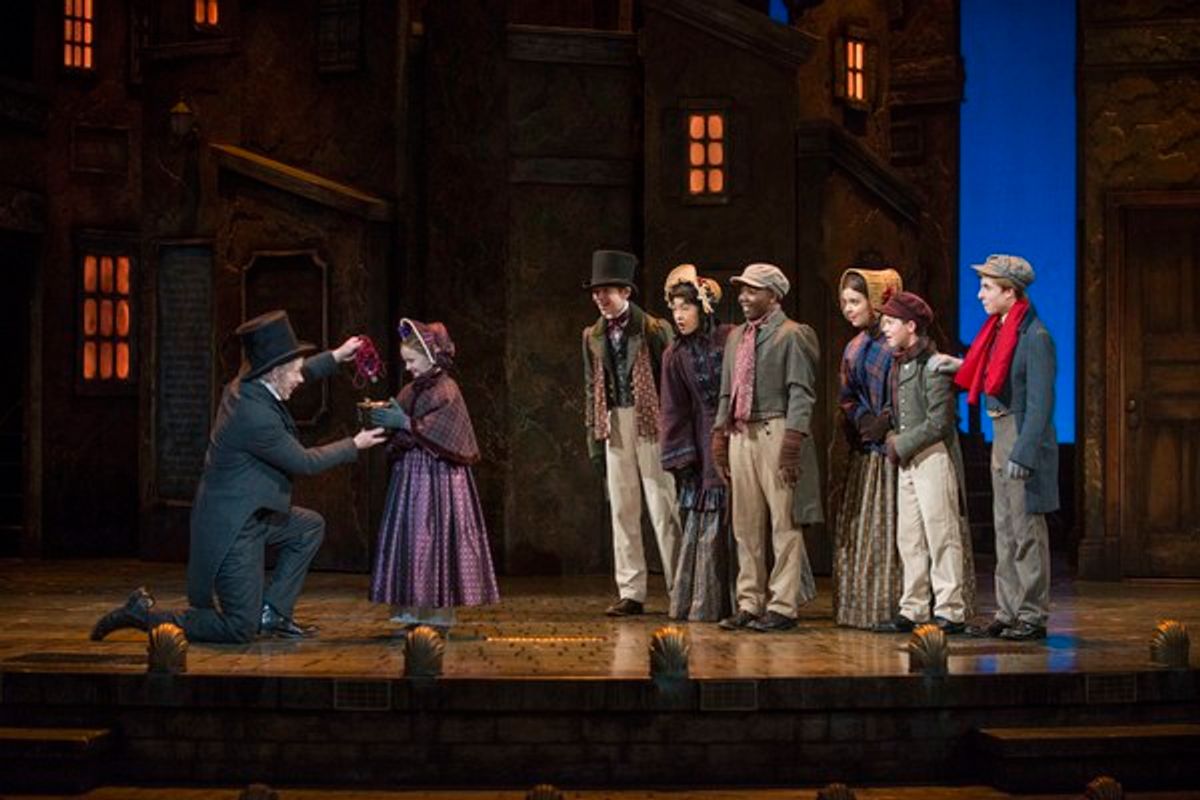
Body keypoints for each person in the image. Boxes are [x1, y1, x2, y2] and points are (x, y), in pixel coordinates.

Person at [91, 310, 388, 643]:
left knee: (308, 527)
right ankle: (143, 615)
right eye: (292, 372)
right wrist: (355, 444)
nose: (299, 379)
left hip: (253, 512)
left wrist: (336, 356)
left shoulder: (250, 385)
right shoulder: (253, 415)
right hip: (233, 527)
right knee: (238, 628)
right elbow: (303, 462)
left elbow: (299, 370)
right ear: (274, 373)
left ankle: (273, 613)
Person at [941, 254, 1057, 641]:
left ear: (1011, 292)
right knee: (1004, 527)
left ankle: (1031, 614)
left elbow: (1041, 405)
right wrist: (952, 364)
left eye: (988, 287)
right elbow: (987, 371)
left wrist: (1024, 453)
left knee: (1026, 529)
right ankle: (1007, 611)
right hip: (1001, 431)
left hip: (1023, 435)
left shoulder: (1035, 336)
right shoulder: (999, 330)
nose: (980, 294)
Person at [367, 318, 499, 630]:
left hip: (439, 479)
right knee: (413, 537)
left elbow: (445, 433)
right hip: (411, 477)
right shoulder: (412, 388)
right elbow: (399, 419)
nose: (409, 368)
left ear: (430, 356)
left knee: (434, 537)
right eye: (405, 362)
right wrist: (385, 420)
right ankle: (412, 609)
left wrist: (407, 425)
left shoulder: (446, 389)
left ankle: (436, 610)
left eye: (412, 361)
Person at [711, 263, 822, 633]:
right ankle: (749, 601)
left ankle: (783, 605)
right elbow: (727, 390)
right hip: (742, 432)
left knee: (784, 523)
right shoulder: (736, 337)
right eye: (741, 289)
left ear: (773, 295)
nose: (743, 296)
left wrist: (793, 442)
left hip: (776, 430)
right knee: (745, 524)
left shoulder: (792, 334)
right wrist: (719, 436)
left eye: (752, 290)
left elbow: (801, 393)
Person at [583, 249, 682, 617]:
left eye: (606, 290)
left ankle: (679, 587)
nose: (600, 298)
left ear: (626, 292)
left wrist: (675, 433)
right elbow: (590, 387)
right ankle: (631, 591)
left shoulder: (654, 329)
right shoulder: (592, 335)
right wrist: (594, 436)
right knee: (623, 510)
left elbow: (671, 383)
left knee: (663, 507)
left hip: (651, 421)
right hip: (614, 422)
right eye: (595, 292)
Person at [870, 291, 975, 634]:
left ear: (911, 326)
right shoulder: (900, 363)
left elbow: (939, 422)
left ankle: (949, 608)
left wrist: (900, 443)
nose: (884, 328)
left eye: (891, 322)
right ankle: (913, 607)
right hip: (908, 459)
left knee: (940, 533)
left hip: (932, 456)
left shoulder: (934, 365)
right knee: (909, 536)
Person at [657, 264, 735, 621]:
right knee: (708, 513)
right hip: (704, 439)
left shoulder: (730, 338)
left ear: (703, 309)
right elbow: (673, 409)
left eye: (685, 308)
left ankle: (747, 601)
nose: (678, 316)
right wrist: (682, 456)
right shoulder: (674, 355)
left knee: (746, 516)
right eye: (674, 309)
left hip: (738, 430)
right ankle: (708, 601)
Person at [831, 268, 905, 629]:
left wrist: (887, 419)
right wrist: (861, 418)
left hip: (893, 448)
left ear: (877, 302)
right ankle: (860, 608)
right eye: (845, 302)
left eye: (855, 301)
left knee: (892, 527)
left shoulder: (895, 344)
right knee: (862, 527)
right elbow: (847, 396)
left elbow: (907, 391)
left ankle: (892, 606)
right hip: (865, 447)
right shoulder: (854, 346)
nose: (848, 309)